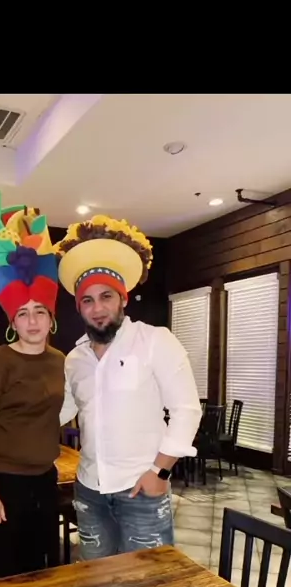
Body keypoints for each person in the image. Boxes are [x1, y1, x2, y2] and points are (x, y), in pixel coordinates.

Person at [57, 214, 202, 559]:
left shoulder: (155, 341)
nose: (97, 308)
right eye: (87, 300)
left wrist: (160, 471)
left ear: (122, 299)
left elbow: (187, 410)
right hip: (89, 490)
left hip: (141, 489)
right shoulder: (74, 358)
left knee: (146, 581)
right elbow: (60, 411)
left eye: (106, 296)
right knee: (96, 577)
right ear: (79, 308)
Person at [0, 190, 65, 582]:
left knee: (38, 575)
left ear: (51, 316)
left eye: (40, 311)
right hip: (1, 483)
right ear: (13, 321)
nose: (33, 320)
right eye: (23, 313)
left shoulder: (60, 360)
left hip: (45, 481)